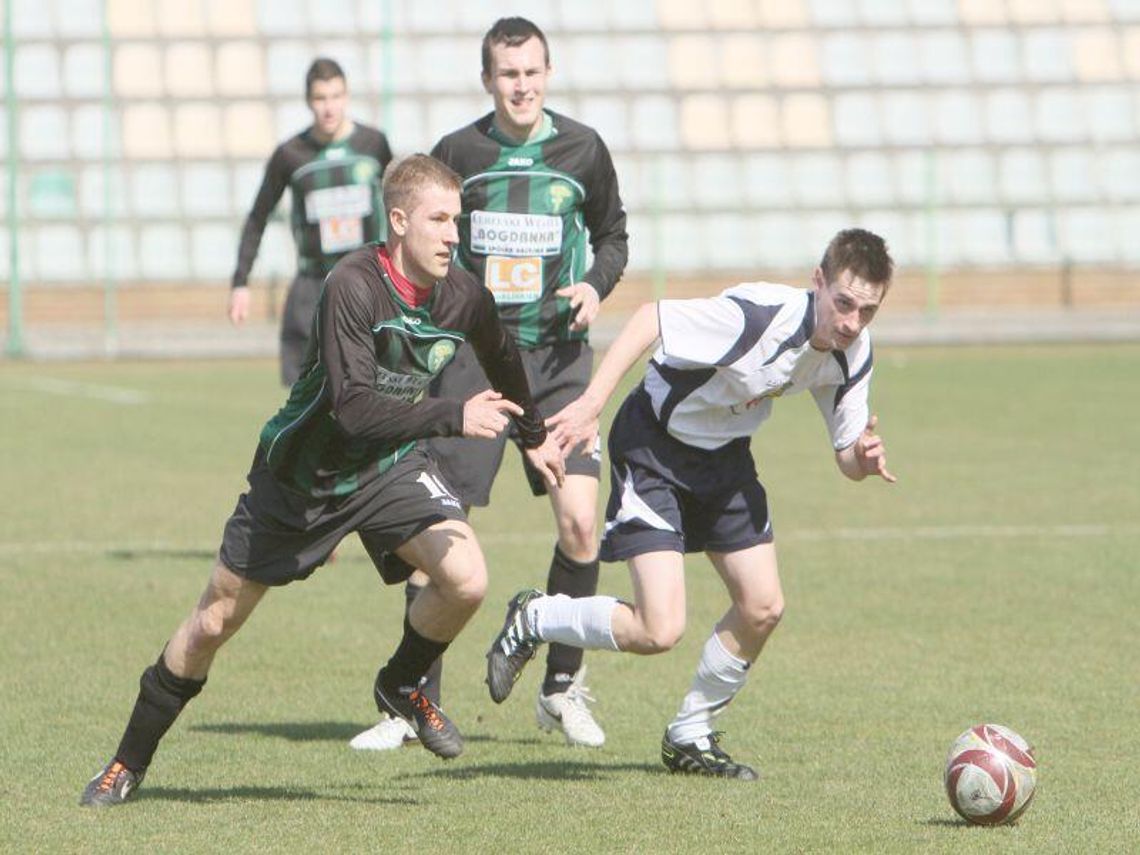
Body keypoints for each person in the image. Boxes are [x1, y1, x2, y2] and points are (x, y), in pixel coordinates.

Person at [79, 154, 565, 808]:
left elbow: (502, 356)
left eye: (459, 219)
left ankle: (399, 683)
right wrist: (454, 413)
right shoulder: (353, 285)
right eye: (439, 219)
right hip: (301, 480)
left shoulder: (464, 294)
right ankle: (125, 763)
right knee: (213, 622)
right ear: (398, 221)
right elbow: (353, 407)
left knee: (468, 578)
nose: (455, 234)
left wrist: (534, 435)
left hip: (387, 469)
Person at [485, 228, 898, 780]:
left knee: (763, 606)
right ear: (818, 282)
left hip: (725, 460)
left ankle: (690, 734)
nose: (850, 322)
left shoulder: (852, 352)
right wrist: (590, 405)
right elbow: (650, 318)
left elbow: (846, 454)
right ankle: (536, 615)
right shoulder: (756, 317)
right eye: (843, 303)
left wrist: (862, 461)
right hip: (654, 448)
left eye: (866, 312)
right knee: (659, 630)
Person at [350, 17, 627, 752]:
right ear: (488, 80)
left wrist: (596, 285)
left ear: (548, 72)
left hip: (561, 363)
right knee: (435, 529)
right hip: (474, 364)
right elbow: (423, 247)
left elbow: (614, 237)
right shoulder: (460, 154)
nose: (522, 85)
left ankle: (561, 690)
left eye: (533, 71)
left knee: (578, 522)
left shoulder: (584, 151)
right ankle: (409, 702)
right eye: (508, 74)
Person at [229, 57, 394, 386]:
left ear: (346, 97)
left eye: (335, 97)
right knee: (306, 395)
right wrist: (241, 281)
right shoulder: (291, 155)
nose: (329, 107)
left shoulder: (373, 145)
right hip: (313, 287)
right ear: (308, 101)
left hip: (369, 282)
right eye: (320, 98)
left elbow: (400, 205)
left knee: (375, 390)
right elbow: (258, 216)